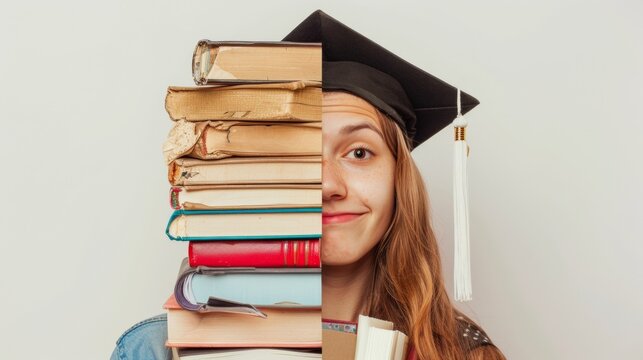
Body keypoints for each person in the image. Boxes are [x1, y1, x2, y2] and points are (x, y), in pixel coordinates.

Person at [112, 10, 505, 360]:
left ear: (400, 179)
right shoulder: (158, 350)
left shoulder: (461, 353)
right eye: (299, 157)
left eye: (359, 152)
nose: (327, 186)